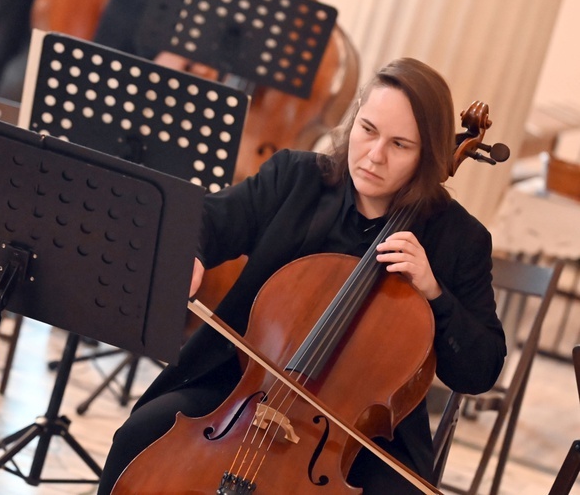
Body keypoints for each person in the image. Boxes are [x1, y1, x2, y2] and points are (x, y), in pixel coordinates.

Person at [96, 57, 507, 494]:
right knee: (140, 435)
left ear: (428, 154)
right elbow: (206, 220)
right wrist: (190, 257)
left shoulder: (459, 239)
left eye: (400, 145)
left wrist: (435, 293)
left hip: (361, 437)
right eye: (367, 130)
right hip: (242, 390)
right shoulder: (295, 179)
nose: (374, 155)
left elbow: (480, 370)